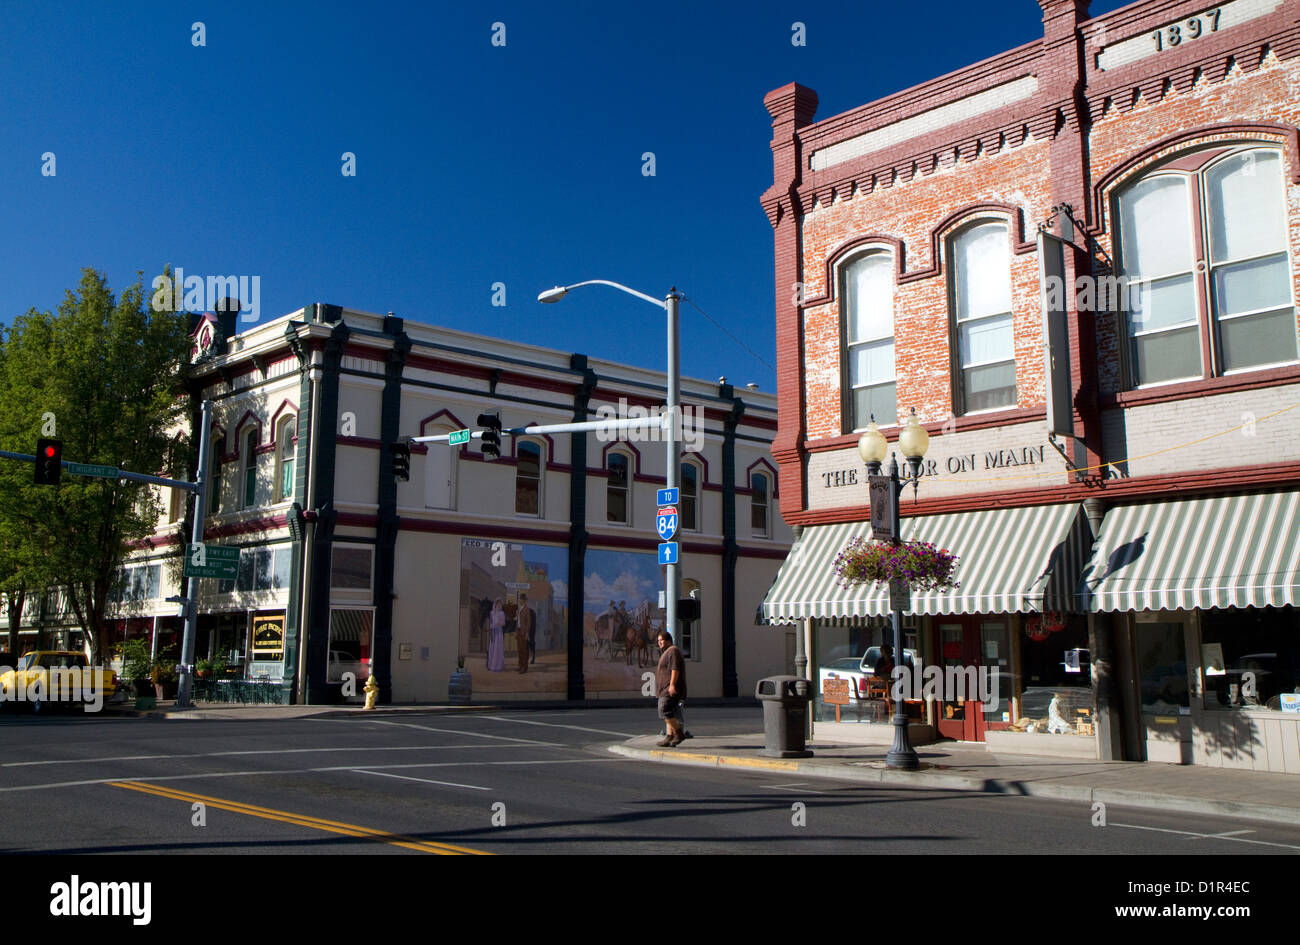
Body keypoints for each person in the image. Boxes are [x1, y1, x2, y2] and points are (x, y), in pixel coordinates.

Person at [654, 629, 686, 746]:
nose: (659, 643)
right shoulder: (667, 652)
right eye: (658, 641)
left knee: (664, 710)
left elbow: (675, 668)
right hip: (664, 689)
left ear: (668, 641)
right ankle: (670, 736)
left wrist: (672, 685)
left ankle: (678, 733)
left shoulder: (673, 651)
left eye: (661, 640)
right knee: (669, 712)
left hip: (669, 689)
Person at [486, 598, 505, 672]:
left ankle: (498, 666)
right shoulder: (492, 613)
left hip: (499, 632)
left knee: (498, 648)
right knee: (492, 648)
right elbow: (490, 622)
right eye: (498, 603)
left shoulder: (502, 613)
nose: (499, 605)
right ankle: (491, 665)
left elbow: (503, 623)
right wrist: (491, 626)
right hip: (493, 631)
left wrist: (497, 624)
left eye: (500, 604)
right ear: (495, 604)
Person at [516, 594, 533, 673]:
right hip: (518, 631)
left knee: (524, 650)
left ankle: (524, 667)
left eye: (522, 599)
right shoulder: (519, 609)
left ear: (525, 601)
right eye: (520, 599)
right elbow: (518, 620)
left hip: (523, 632)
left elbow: (528, 622)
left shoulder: (526, 609)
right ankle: (520, 666)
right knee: (519, 649)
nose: (520, 601)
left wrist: (527, 633)